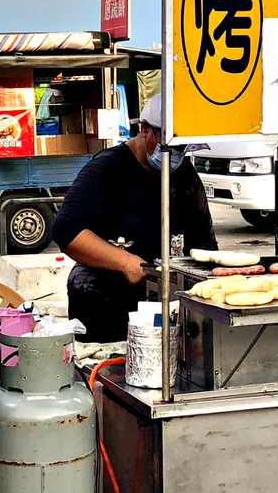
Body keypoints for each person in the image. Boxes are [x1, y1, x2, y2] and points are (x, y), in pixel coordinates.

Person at [52, 94, 217, 342]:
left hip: (165, 302)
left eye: (181, 148)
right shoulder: (107, 168)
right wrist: (125, 262)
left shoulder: (184, 174)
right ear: (144, 130)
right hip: (103, 301)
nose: (175, 155)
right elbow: (67, 231)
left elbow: (204, 242)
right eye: (168, 146)